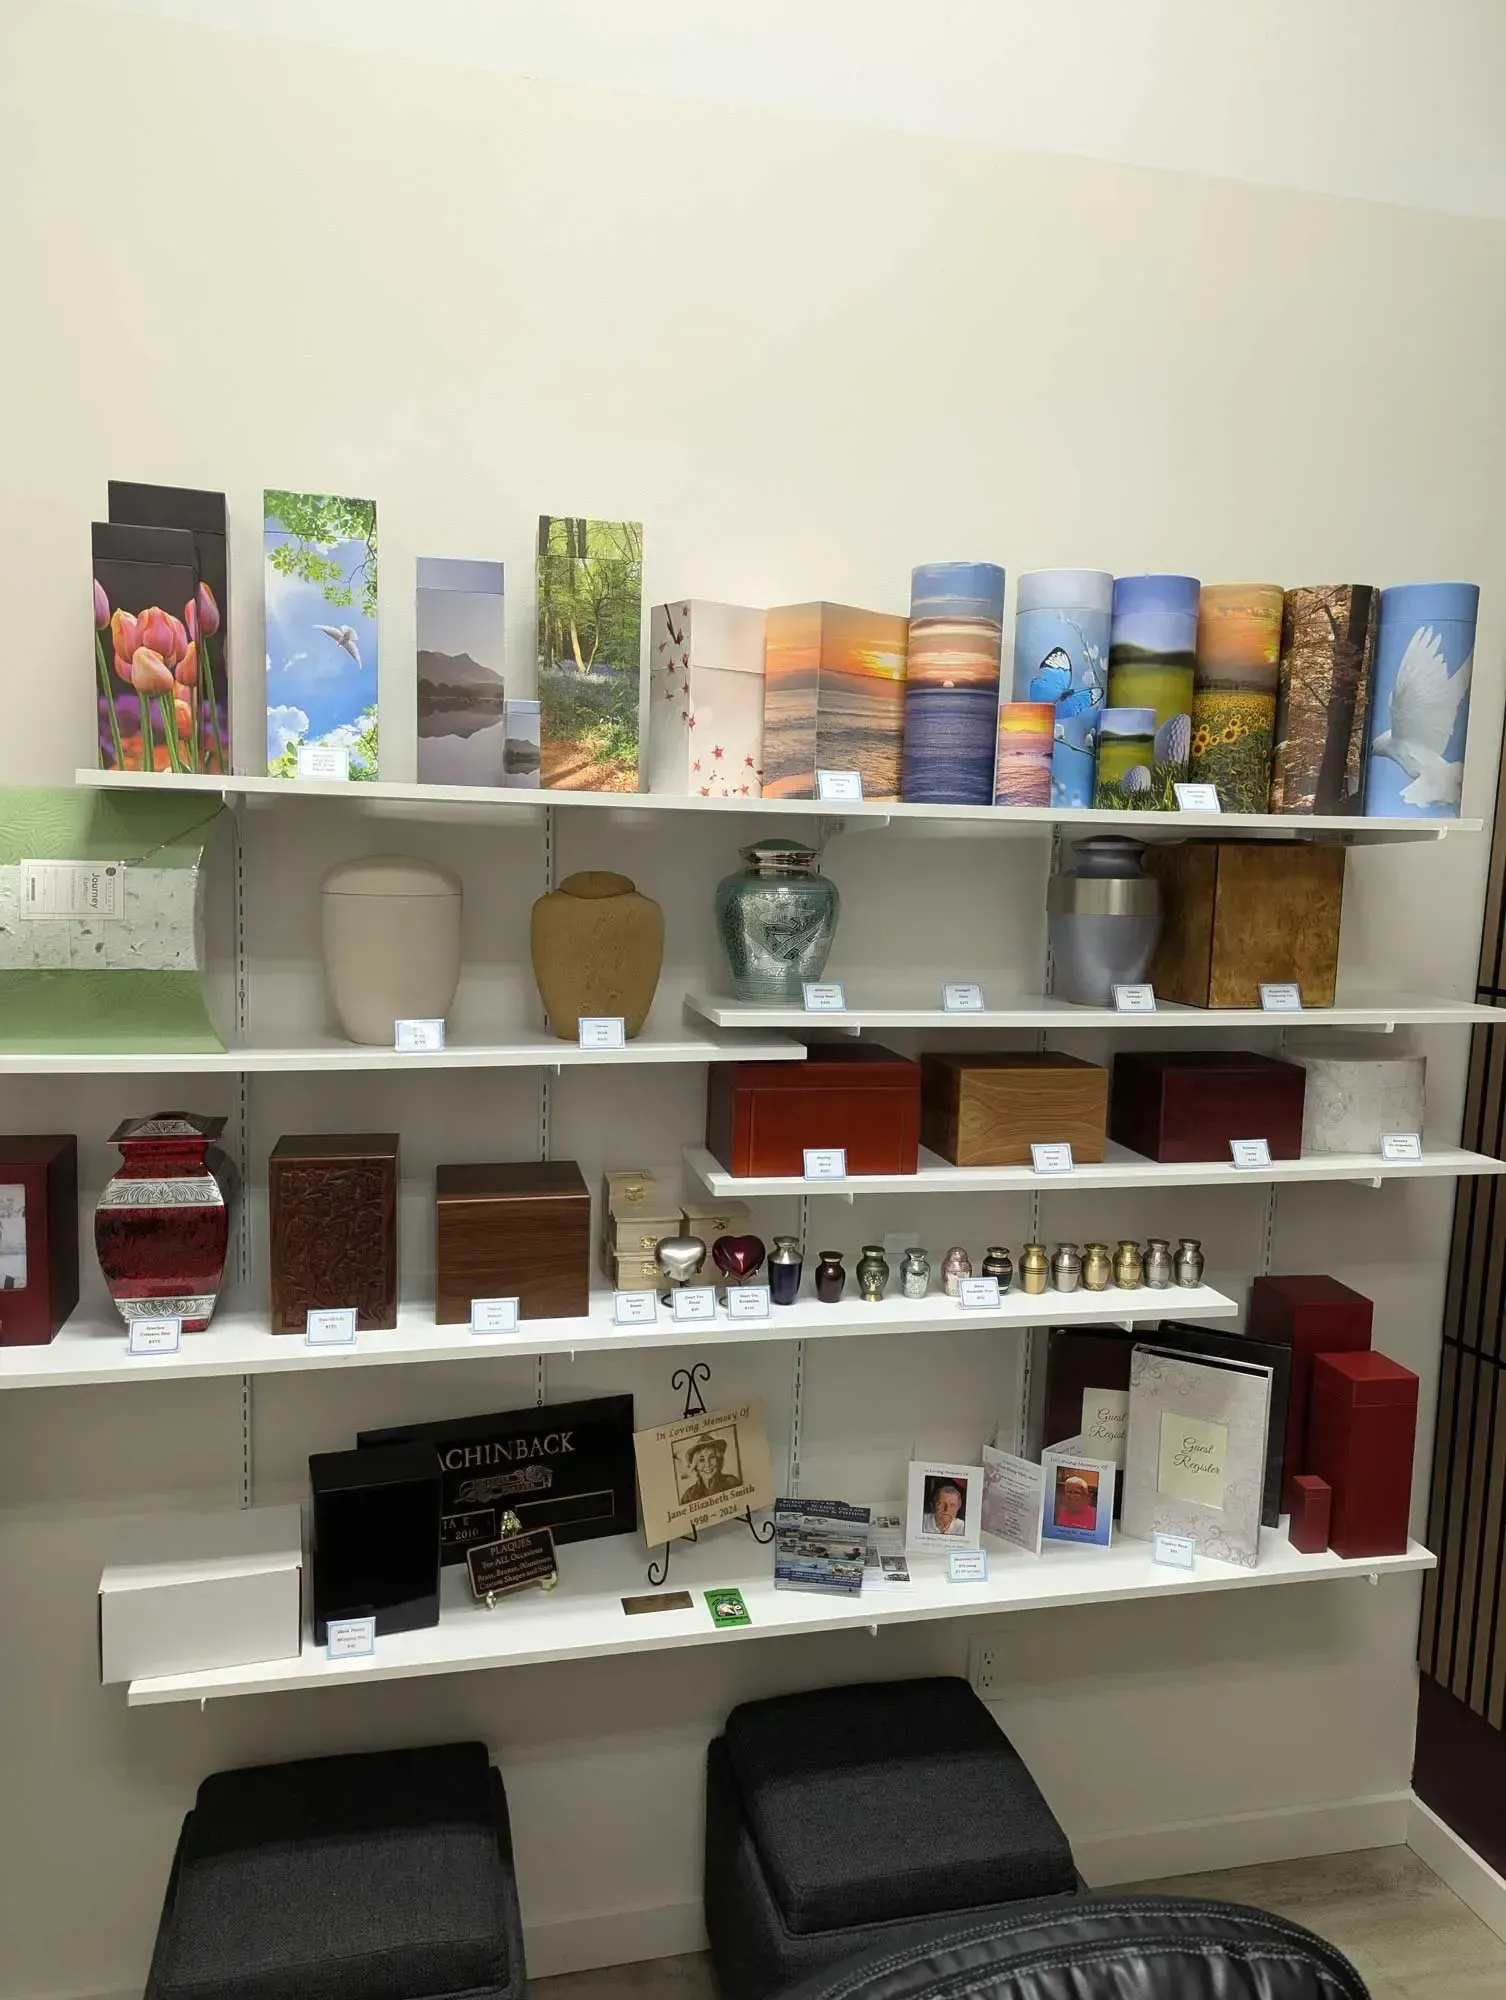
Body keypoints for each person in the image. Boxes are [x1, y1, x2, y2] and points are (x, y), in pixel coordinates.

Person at [680, 1434, 740, 1502]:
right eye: (701, 1460)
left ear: (719, 1460)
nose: (707, 1464)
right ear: (696, 1466)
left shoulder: (732, 1483)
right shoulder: (688, 1496)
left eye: (712, 1457)